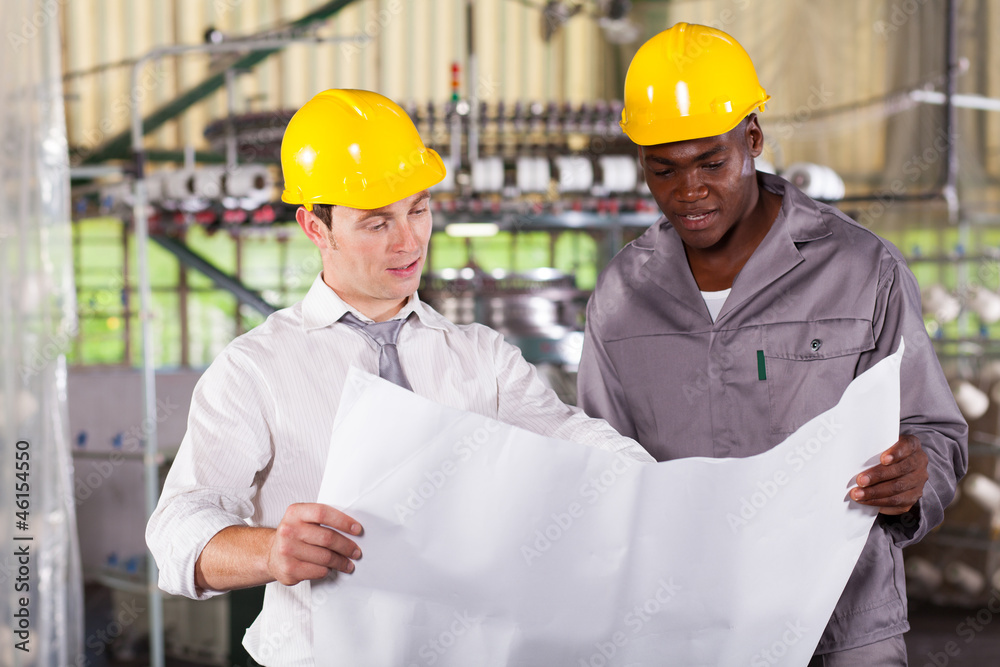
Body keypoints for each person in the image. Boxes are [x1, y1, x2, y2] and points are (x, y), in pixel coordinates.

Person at [146, 89, 654, 667]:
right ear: (316, 227)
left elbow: (573, 440)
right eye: (376, 223)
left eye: (418, 209)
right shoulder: (256, 370)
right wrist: (271, 551)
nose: (408, 241)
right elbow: (177, 531)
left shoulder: (480, 358)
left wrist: (653, 484)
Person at [577, 23, 968, 667]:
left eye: (712, 162)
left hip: (845, 629)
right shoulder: (622, 297)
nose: (689, 192)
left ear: (752, 139)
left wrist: (915, 476)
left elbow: (936, 431)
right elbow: (599, 467)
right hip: (685, 632)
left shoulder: (860, 270)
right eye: (663, 170)